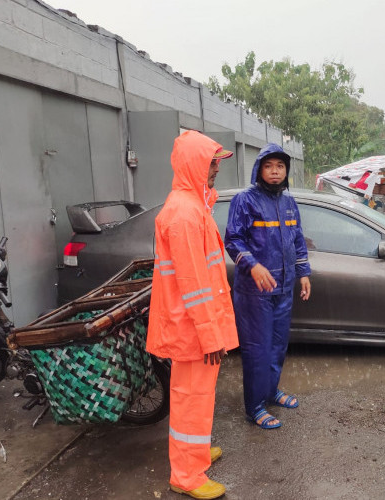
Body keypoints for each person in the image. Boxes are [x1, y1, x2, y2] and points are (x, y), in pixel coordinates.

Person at [146, 130, 239, 500]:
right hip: (194, 329)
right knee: (190, 398)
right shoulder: (185, 214)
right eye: (210, 162)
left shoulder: (191, 205)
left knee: (198, 396)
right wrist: (210, 335)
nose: (216, 168)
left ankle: (196, 454)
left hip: (196, 325)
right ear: (193, 165)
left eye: (217, 162)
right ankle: (186, 475)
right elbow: (193, 284)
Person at [224, 143, 311, 429]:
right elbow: (233, 240)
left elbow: (298, 240)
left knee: (277, 346)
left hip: (284, 288)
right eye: (269, 166)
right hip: (254, 292)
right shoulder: (244, 200)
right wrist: (253, 265)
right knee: (257, 350)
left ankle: (271, 391)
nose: (275, 171)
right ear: (259, 169)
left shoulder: (289, 203)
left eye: (280, 166)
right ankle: (255, 406)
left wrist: (304, 274)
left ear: (286, 172)